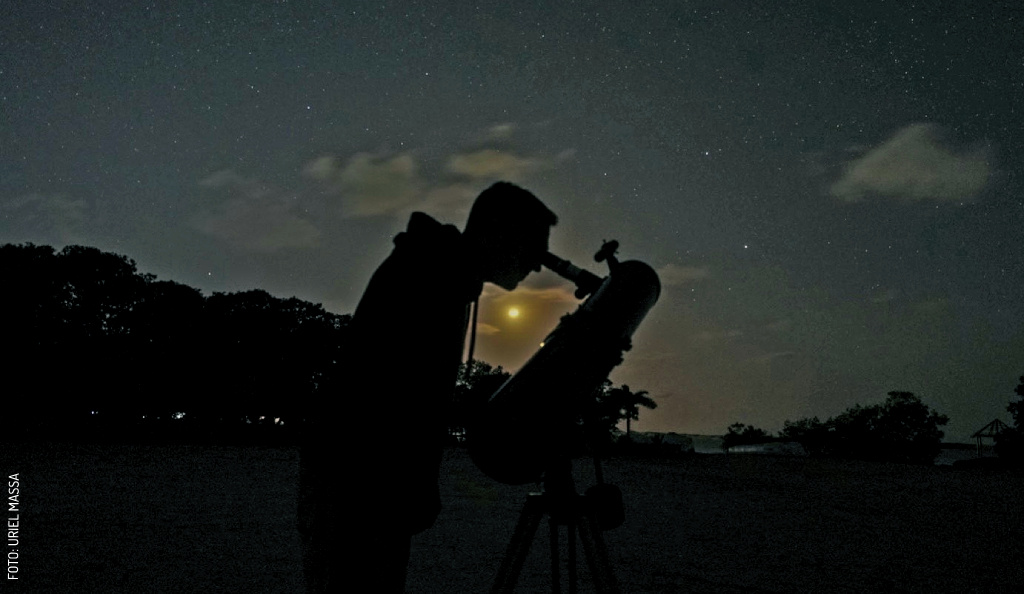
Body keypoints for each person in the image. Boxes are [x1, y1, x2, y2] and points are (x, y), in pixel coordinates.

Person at [298, 181, 558, 592]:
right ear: (497, 233)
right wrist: (412, 483)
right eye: (533, 248)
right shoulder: (431, 276)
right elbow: (395, 396)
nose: (538, 266)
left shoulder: (444, 274)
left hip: (367, 481)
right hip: (358, 483)